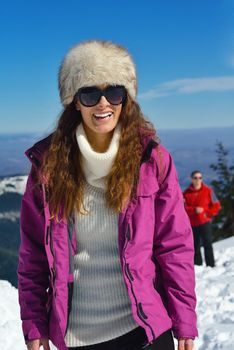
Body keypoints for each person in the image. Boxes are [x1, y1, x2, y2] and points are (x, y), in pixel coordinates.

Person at [17, 40, 198, 350]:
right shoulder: (47, 167)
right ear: (75, 102)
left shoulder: (151, 160)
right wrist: (35, 326)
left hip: (146, 331)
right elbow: (32, 257)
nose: (103, 104)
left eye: (114, 92)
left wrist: (184, 319)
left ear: (125, 98)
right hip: (79, 337)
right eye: (89, 93)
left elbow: (174, 245)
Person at [183, 170, 221, 267]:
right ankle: (197, 265)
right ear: (191, 179)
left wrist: (207, 213)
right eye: (195, 178)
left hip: (205, 222)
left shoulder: (209, 191)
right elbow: (183, 209)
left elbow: (217, 206)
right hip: (192, 224)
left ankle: (211, 265)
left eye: (200, 177)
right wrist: (194, 210)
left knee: (208, 244)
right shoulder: (186, 194)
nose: (198, 180)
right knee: (195, 246)